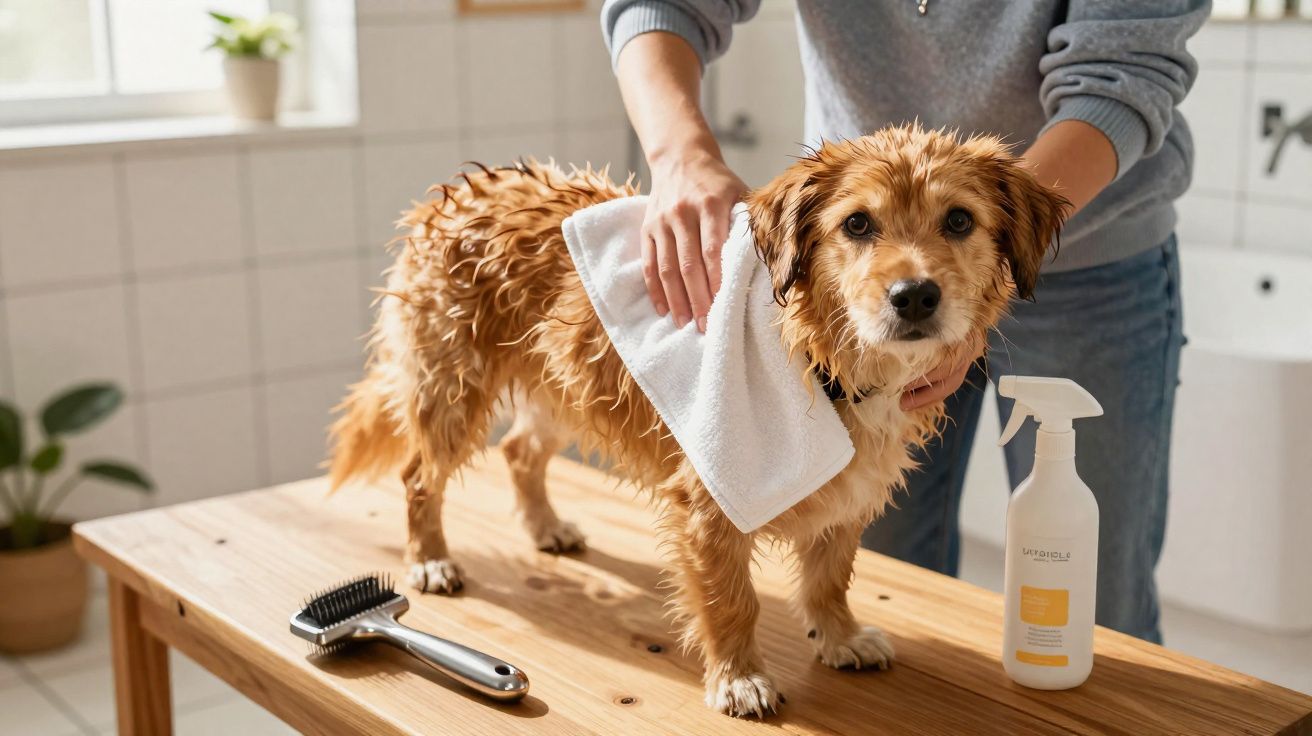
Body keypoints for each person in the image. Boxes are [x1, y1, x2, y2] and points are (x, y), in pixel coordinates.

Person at [602, 0, 1208, 644]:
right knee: (884, 568)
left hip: (1092, 259)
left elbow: (1124, 70)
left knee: (1094, 598)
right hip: (858, 267)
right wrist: (678, 156)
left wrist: (985, 261)